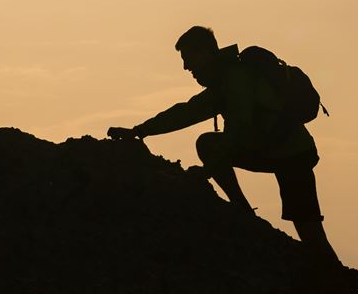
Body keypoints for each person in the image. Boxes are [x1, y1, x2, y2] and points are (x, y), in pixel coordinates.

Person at [108, 25, 343, 267]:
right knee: (208, 143)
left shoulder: (235, 78)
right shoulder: (223, 83)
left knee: (311, 232)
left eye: (188, 59)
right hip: (274, 149)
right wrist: (139, 131)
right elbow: (187, 112)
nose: (186, 67)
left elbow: (239, 130)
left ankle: (334, 278)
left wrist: (208, 171)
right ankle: (242, 210)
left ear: (205, 53)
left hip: (292, 155)